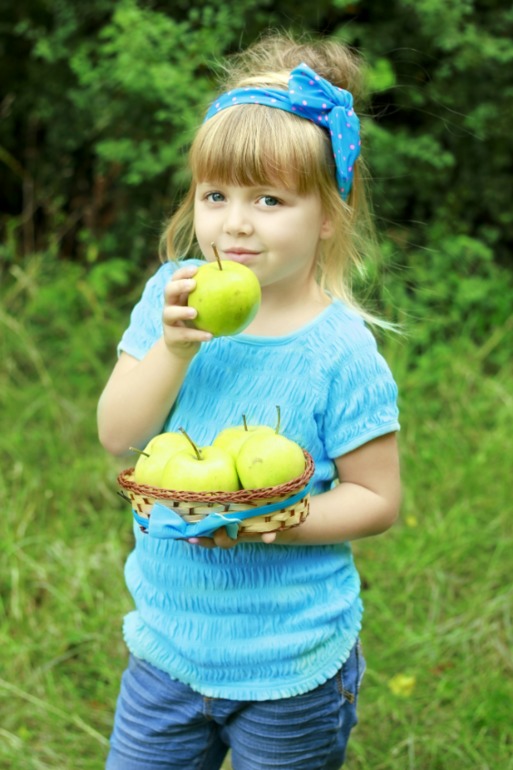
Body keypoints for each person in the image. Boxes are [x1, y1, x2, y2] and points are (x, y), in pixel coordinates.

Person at [98, 29, 401, 770]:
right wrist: (172, 349)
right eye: (216, 195)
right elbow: (118, 436)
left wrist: (279, 520)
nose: (235, 222)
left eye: (269, 199)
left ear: (329, 213)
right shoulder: (173, 301)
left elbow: (375, 498)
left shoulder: (341, 353)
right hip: (167, 648)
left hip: (291, 663)